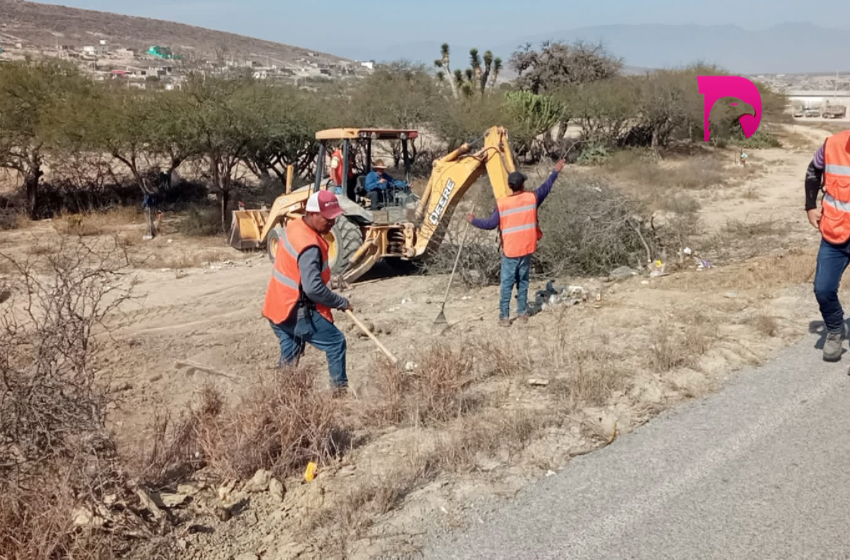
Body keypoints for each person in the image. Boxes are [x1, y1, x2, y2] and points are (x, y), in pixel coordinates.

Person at [262, 190, 353, 391]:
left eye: (334, 218)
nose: (332, 223)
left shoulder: (294, 226)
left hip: (276, 307)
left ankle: (280, 396)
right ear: (312, 213)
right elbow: (313, 289)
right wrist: (340, 302)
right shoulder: (310, 245)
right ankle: (340, 395)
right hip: (293, 310)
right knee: (336, 343)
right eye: (327, 218)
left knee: (291, 351)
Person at [467, 158, 567, 327]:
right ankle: (521, 313)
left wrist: (473, 220)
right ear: (522, 185)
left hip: (511, 251)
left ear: (510, 186)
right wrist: (555, 171)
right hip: (527, 248)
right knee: (523, 281)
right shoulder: (532, 198)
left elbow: (490, 224)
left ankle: (504, 317)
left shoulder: (503, 204)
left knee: (507, 284)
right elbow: (546, 187)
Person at [807, 128, 850, 361]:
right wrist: (810, 205)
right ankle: (835, 329)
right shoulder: (833, 144)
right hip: (835, 232)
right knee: (823, 289)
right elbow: (813, 170)